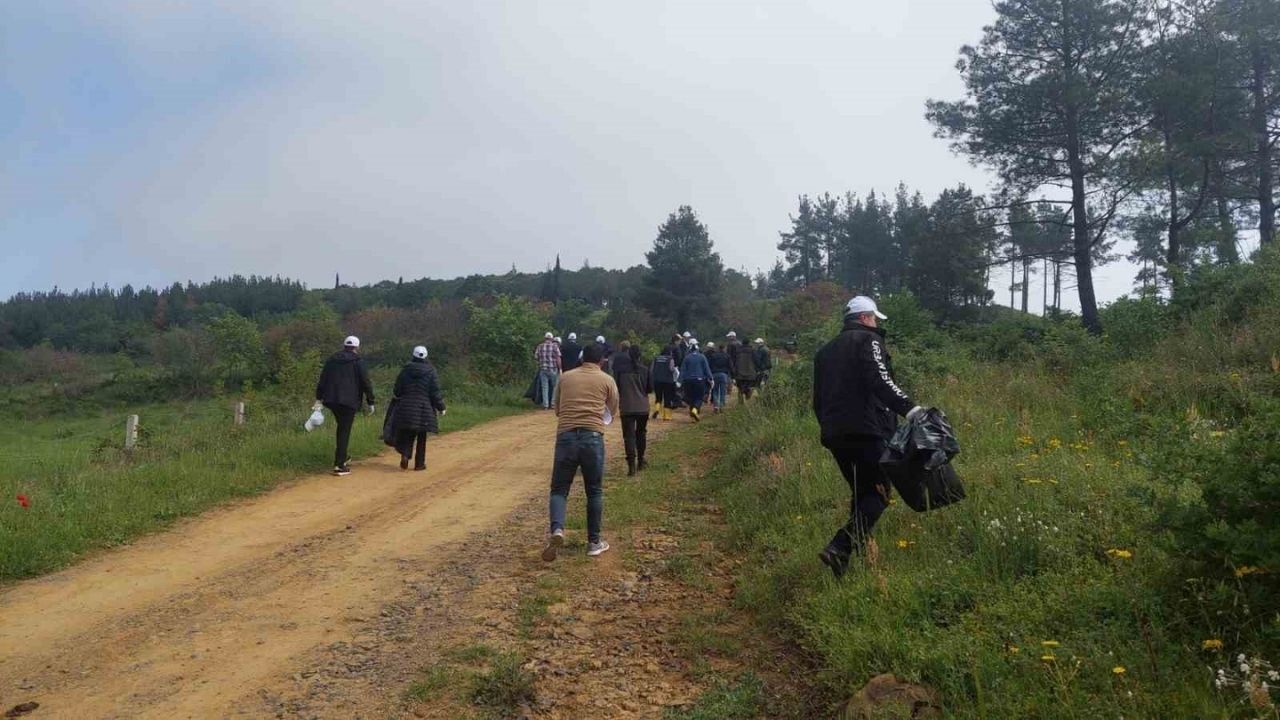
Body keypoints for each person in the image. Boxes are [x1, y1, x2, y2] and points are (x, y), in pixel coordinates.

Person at [813, 296, 924, 578]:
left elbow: (817, 400)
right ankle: (840, 546)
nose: (876, 323)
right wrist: (910, 409)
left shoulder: (824, 352)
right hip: (867, 429)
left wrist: (828, 426)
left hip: (835, 434)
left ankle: (849, 561)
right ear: (864, 318)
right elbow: (880, 379)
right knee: (880, 493)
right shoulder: (868, 340)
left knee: (862, 493)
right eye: (874, 318)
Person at [543, 343, 620, 562]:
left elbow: (558, 409)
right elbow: (612, 410)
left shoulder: (566, 377)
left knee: (559, 489)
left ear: (581, 358)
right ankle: (594, 542)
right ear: (602, 361)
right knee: (594, 490)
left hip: (566, 436)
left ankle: (557, 530)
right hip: (592, 438)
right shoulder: (607, 380)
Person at [314, 335, 376, 476]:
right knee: (344, 430)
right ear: (357, 347)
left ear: (344, 346)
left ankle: (343, 456)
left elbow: (323, 380)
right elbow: (365, 382)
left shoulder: (331, 360)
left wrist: (319, 398)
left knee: (342, 428)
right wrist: (370, 401)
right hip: (349, 402)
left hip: (331, 400)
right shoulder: (358, 362)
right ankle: (339, 465)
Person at [391, 345, 446, 471]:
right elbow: (435, 392)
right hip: (424, 408)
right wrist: (441, 407)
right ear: (426, 357)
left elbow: (397, 390)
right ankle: (419, 464)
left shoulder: (405, 370)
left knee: (408, 433)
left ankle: (405, 455)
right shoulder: (431, 371)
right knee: (422, 436)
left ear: (413, 356)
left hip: (406, 407)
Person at [612, 344, 652, 476]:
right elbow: (649, 389)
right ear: (640, 355)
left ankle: (631, 467)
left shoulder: (621, 371)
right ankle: (641, 461)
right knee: (641, 434)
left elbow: (617, 387)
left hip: (627, 407)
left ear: (628, 355)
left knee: (628, 436)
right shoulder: (645, 370)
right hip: (642, 408)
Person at [678, 339, 712, 422]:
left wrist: (679, 381)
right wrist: (710, 378)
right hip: (699, 380)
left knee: (691, 398)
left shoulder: (686, 357)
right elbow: (706, 369)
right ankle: (695, 410)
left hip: (688, 381)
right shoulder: (702, 356)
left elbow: (682, 370)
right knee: (699, 398)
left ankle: (692, 414)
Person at [651, 341, 678, 420]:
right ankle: (667, 416)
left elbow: (652, 369)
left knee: (658, 397)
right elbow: (671, 369)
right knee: (667, 398)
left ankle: (657, 409)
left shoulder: (656, 358)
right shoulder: (670, 359)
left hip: (657, 381)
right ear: (670, 351)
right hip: (668, 381)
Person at [534, 331, 562, 410]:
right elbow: (558, 358)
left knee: (544, 387)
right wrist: (560, 368)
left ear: (545, 338)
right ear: (552, 339)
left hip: (543, 369)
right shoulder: (554, 347)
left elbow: (536, 357)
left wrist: (541, 362)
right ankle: (553, 404)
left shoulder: (540, 346)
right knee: (555, 386)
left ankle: (545, 405)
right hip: (553, 369)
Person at [731, 331, 759, 402]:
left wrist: (734, 371)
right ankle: (748, 393)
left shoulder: (738, 351)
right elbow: (756, 360)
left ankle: (741, 402)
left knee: (740, 388)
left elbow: (734, 361)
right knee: (749, 386)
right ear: (749, 343)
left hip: (739, 373)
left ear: (742, 343)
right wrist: (757, 369)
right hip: (751, 373)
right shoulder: (752, 350)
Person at [705, 341, 732, 413]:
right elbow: (730, 366)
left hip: (714, 374)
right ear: (724, 348)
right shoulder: (727, 356)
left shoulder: (713, 355)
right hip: (724, 375)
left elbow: (709, 365)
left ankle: (716, 405)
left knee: (715, 391)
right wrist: (732, 375)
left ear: (718, 348)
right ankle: (722, 405)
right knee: (723, 391)